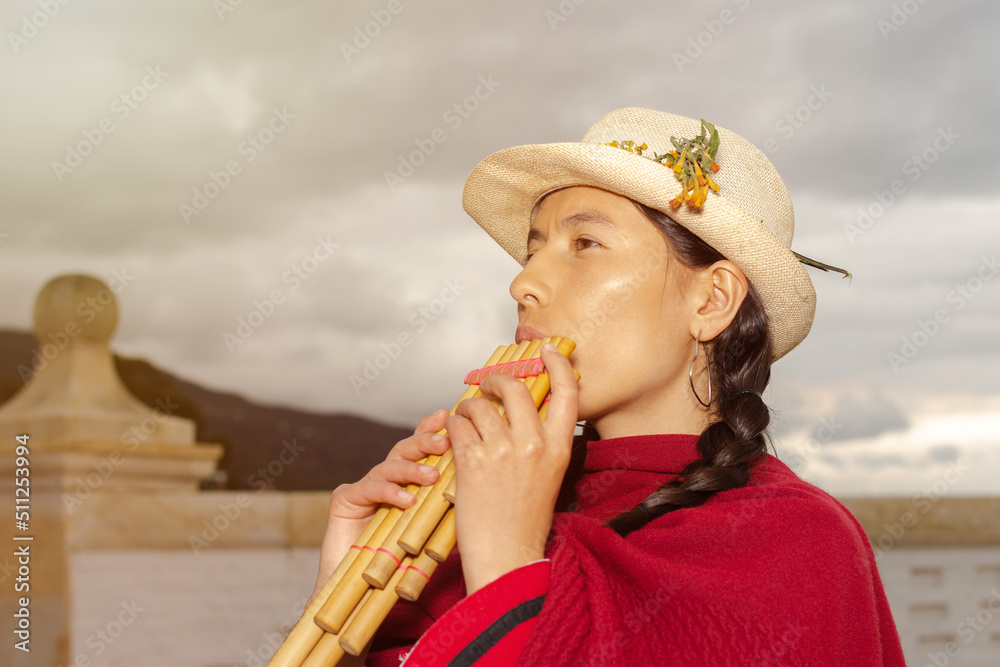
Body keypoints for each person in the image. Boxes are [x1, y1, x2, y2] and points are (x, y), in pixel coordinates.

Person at [309, 108, 906, 665]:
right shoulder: (465, 525)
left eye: (585, 244)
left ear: (712, 299)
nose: (524, 283)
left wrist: (507, 559)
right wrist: (345, 605)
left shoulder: (801, 546)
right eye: (532, 250)